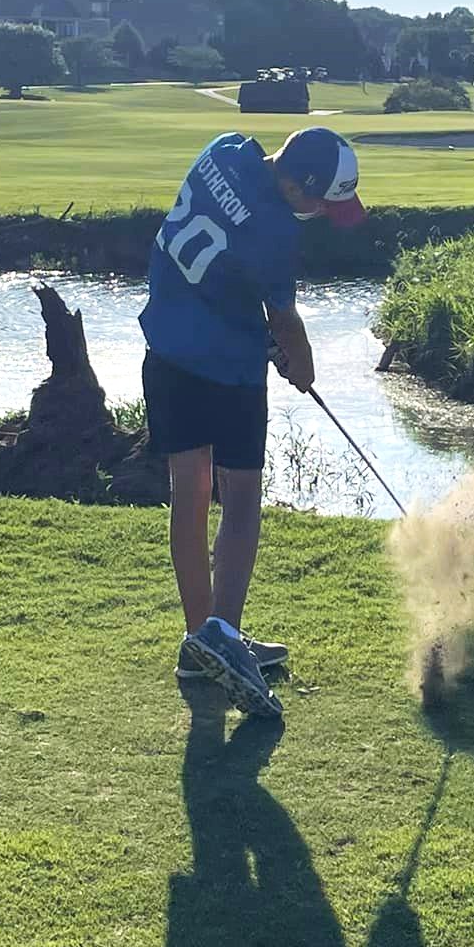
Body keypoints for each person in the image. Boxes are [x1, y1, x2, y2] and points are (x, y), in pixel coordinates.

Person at [141, 127, 367, 718]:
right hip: (228, 370)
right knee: (240, 497)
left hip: (166, 351)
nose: (321, 214)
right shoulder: (276, 232)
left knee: (187, 492)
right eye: (320, 202)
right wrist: (305, 369)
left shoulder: (223, 148)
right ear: (294, 184)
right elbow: (285, 321)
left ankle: (202, 642)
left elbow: (224, 259)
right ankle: (225, 638)